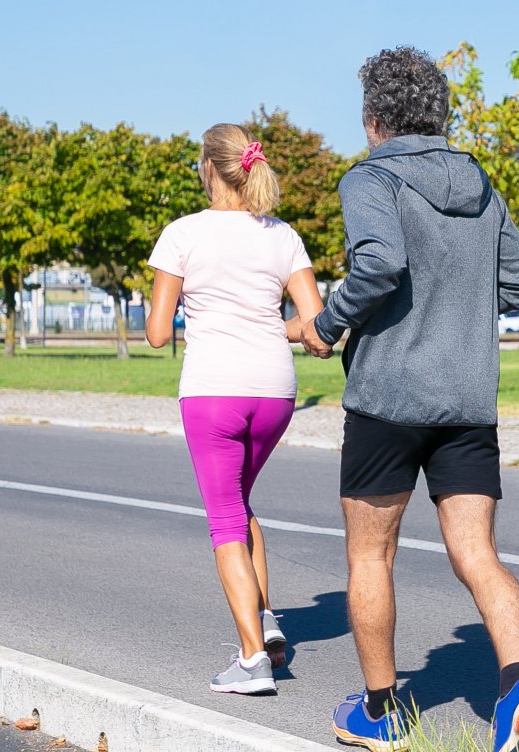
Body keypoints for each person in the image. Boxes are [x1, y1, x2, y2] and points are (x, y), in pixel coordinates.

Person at [299, 46, 519, 752]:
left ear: (375, 118)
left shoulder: (370, 180)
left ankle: (381, 714)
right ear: (438, 113)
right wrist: (458, 310)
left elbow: (379, 265)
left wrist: (324, 324)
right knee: (477, 552)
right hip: (467, 400)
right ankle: (518, 686)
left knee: (370, 558)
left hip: (388, 399)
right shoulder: (478, 181)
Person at [144, 122, 325, 696]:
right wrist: (272, 325)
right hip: (275, 391)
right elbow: (316, 326)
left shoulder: (182, 234)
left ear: (207, 168)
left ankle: (251, 661)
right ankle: (266, 622)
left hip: (213, 390)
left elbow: (154, 333)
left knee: (224, 519)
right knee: (240, 503)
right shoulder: (283, 236)